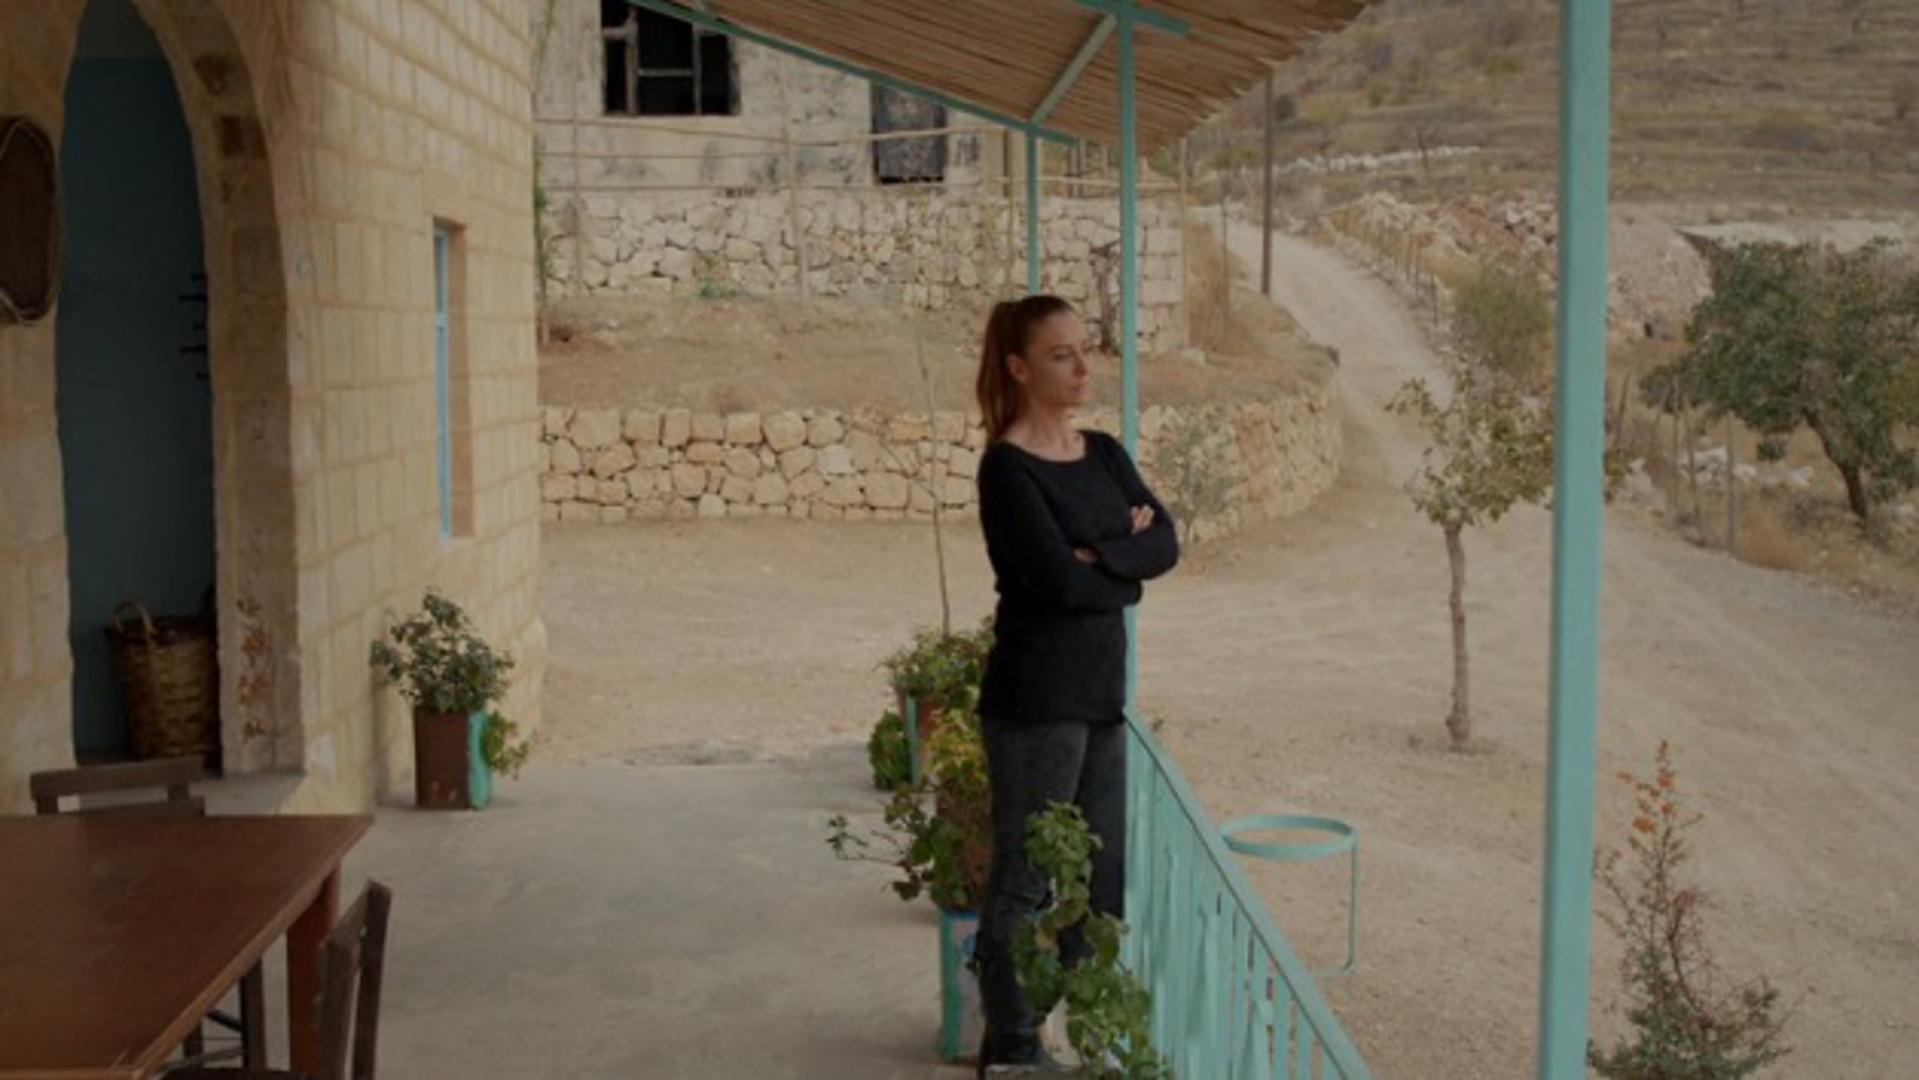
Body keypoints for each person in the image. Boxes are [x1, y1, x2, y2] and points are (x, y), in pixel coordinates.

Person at [969, 294, 1179, 1074]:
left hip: (1099, 699)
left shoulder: (1104, 452)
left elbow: (1165, 541)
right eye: (1061, 355)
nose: (1083, 367)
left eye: (1084, 350)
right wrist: (1117, 556)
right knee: (1024, 883)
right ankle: (1014, 1049)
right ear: (1019, 368)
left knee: (1102, 888)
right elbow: (1056, 584)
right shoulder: (1007, 468)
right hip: (1034, 703)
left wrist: (1101, 557)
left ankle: (1018, 1021)